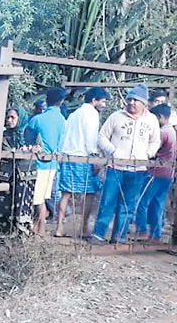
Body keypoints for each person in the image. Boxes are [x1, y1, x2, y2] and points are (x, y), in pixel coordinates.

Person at [91, 84, 161, 244]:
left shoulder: (151, 120)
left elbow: (155, 141)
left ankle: (119, 236)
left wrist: (148, 154)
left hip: (138, 169)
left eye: (136, 100)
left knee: (128, 204)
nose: (131, 103)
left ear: (144, 104)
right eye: (130, 99)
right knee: (108, 201)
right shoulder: (116, 116)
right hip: (116, 167)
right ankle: (98, 235)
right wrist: (112, 151)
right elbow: (102, 136)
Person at [55, 87, 108, 237]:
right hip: (83, 157)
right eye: (103, 101)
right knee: (90, 193)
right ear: (94, 100)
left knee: (65, 193)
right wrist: (95, 159)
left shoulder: (74, 114)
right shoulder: (92, 114)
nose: (104, 105)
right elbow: (91, 138)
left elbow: (64, 136)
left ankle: (59, 228)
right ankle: (83, 228)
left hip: (67, 156)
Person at [25, 87, 67, 235]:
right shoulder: (62, 120)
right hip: (53, 164)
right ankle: (38, 227)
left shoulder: (38, 119)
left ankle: (40, 228)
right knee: (43, 196)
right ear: (61, 102)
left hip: (38, 164)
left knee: (37, 198)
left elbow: (27, 139)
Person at [134, 103, 176, 242]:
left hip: (156, 173)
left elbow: (151, 151)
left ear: (161, 117)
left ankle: (142, 230)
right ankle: (155, 234)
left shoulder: (163, 133)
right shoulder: (172, 132)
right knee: (157, 203)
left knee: (142, 202)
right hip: (168, 173)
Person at [0, 107, 36, 234]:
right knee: (5, 203)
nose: (9, 120)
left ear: (21, 118)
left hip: (25, 175)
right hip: (8, 174)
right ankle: (4, 234)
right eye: (7, 117)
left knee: (23, 203)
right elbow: (5, 150)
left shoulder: (32, 133)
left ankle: (22, 234)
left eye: (12, 117)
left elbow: (40, 149)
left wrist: (34, 149)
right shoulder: (4, 135)